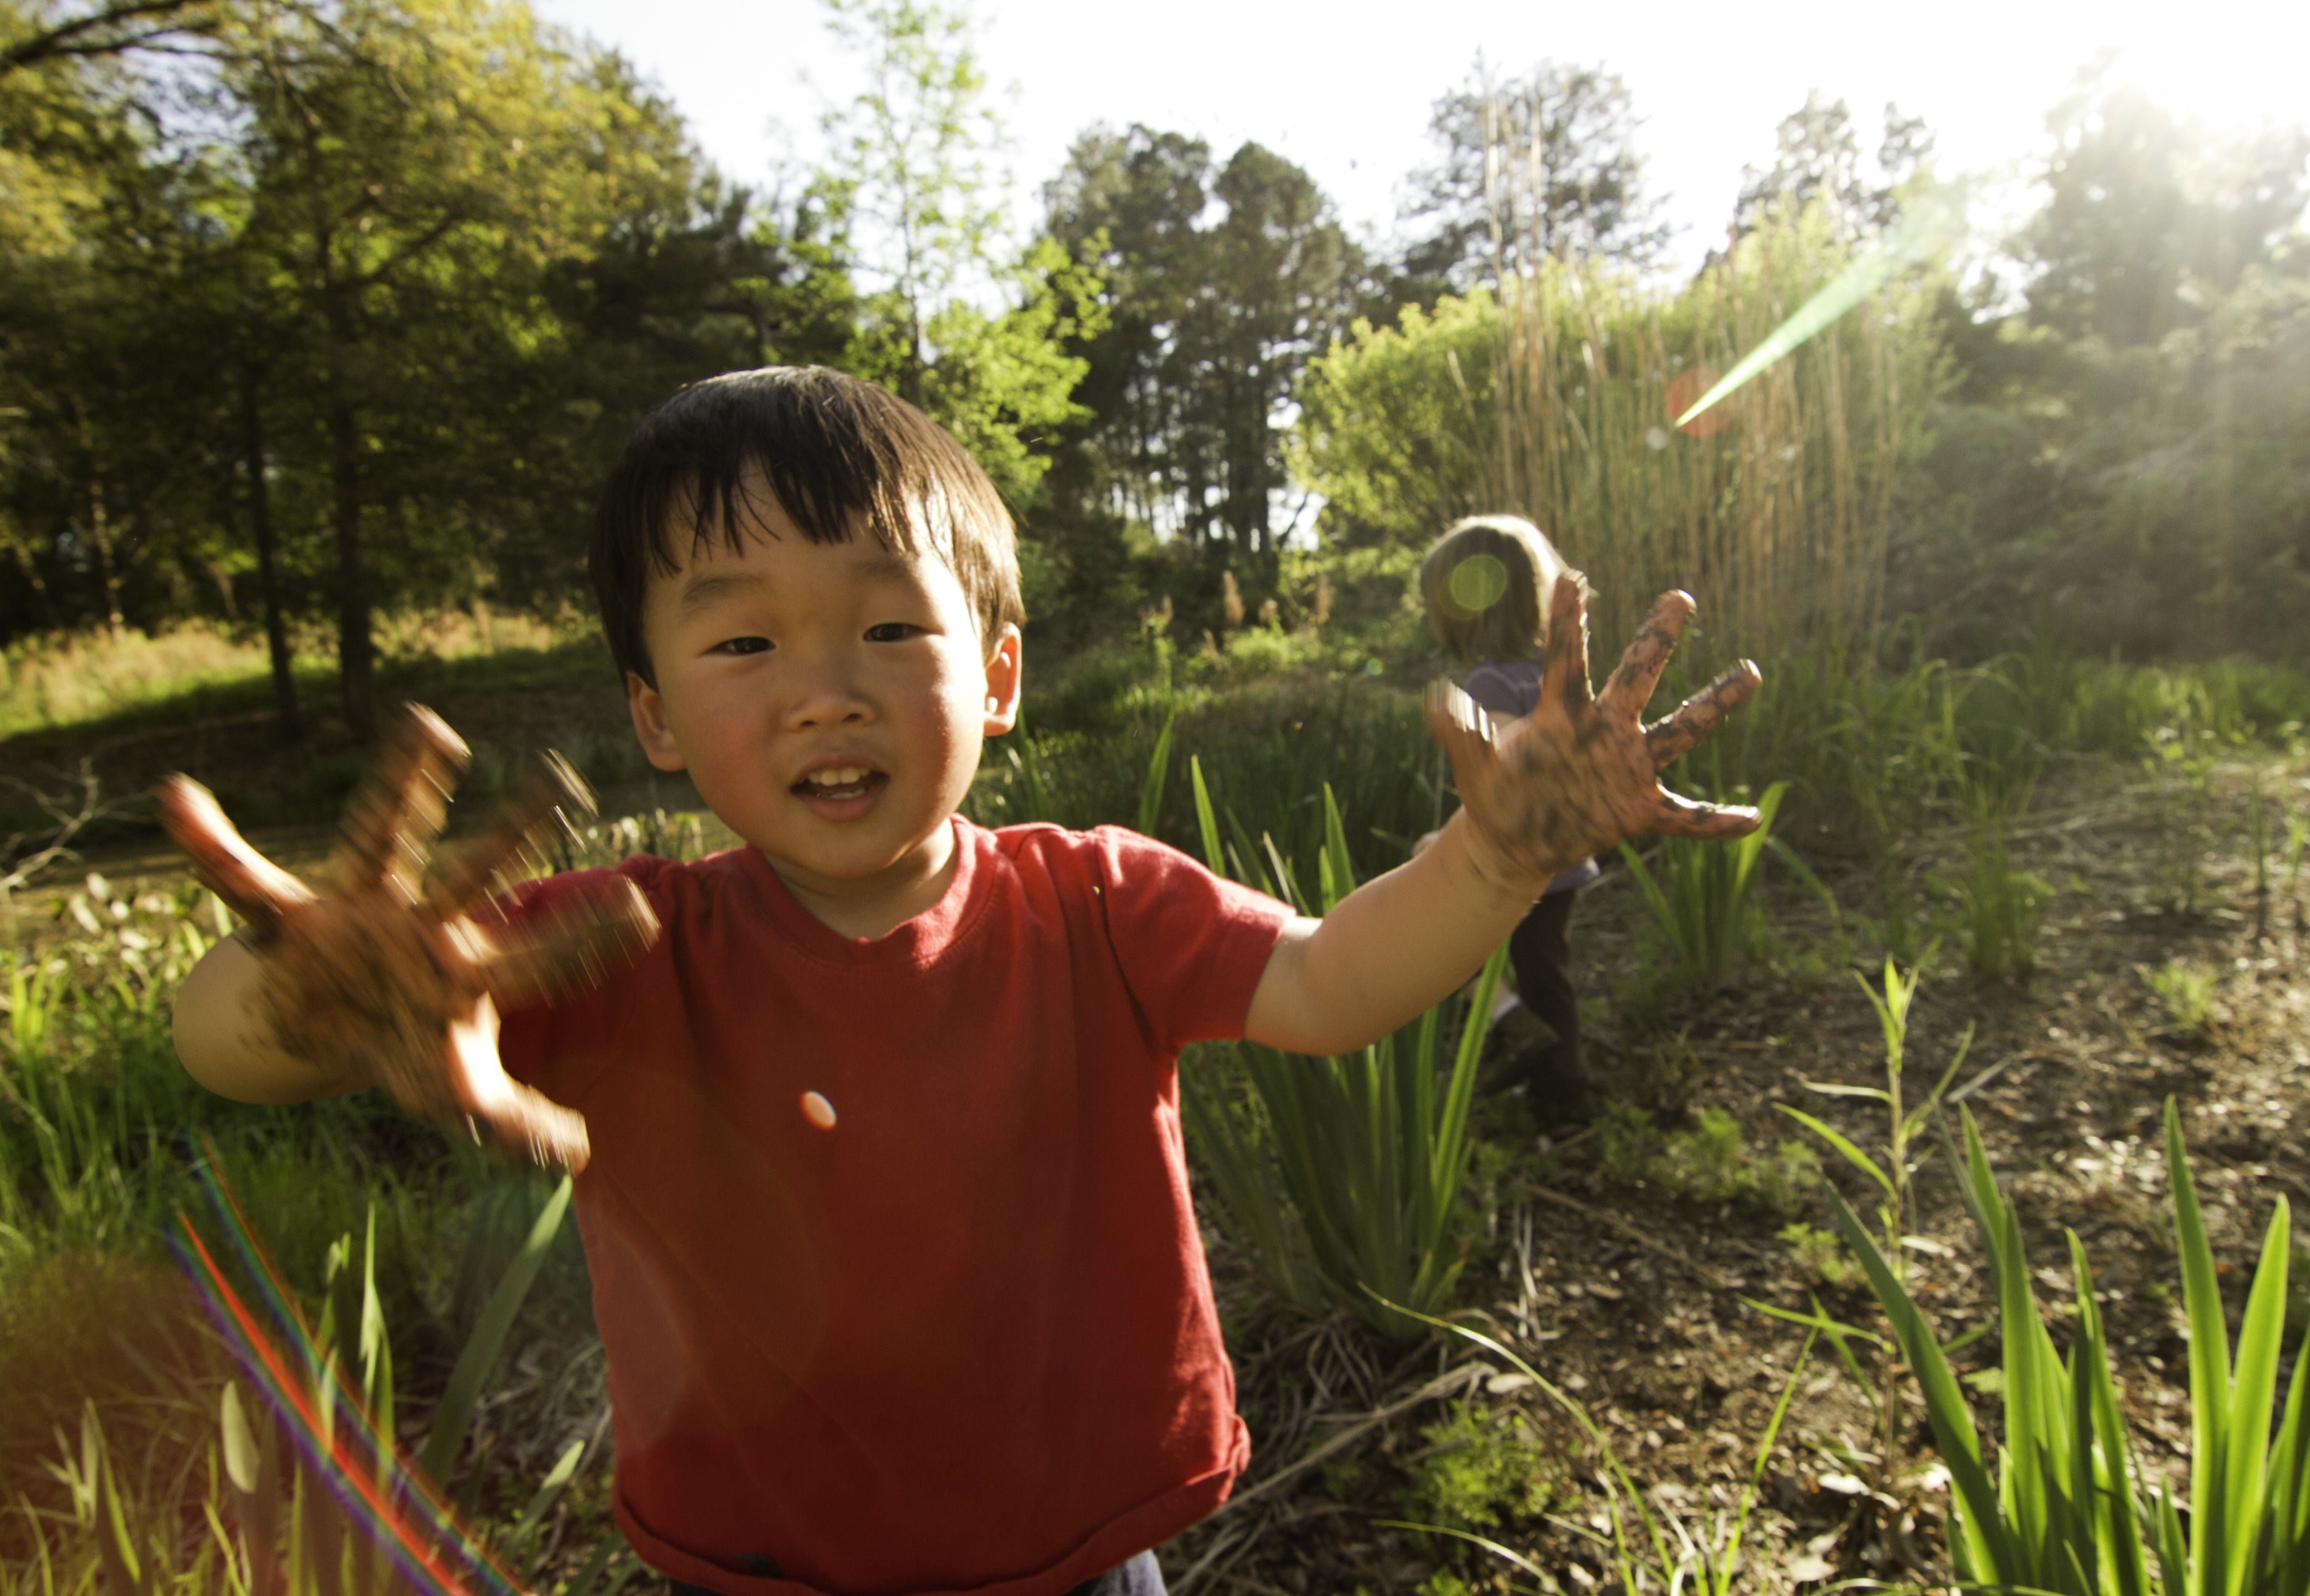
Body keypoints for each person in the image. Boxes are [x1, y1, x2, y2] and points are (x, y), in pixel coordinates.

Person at [164, 367, 1762, 1596]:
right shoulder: (610, 939)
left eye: (884, 624)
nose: (824, 694)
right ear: (652, 715)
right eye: (742, 649)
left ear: (996, 675)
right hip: (759, 1568)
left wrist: (1495, 861)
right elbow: (226, 1053)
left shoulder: (1096, 902)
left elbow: (1329, 986)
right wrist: (313, 997)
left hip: (1076, 1557)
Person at [1416, 515, 1604, 1119]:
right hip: (1565, 855)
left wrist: (1444, 842)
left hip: (1516, 861)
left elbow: (1501, 781)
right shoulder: (1557, 674)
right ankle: (1564, 1090)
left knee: (1443, 952)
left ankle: (1511, 1026)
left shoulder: (1491, 681)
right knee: (1547, 973)